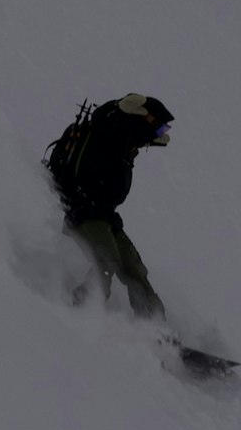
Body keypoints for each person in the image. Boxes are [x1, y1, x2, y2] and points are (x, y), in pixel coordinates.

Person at [44, 92, 175, 321]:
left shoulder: (125, 141)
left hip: (104, 214)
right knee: (106, 261)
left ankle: (157, 328)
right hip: (81, 211)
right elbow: (123, 109)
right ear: (144, 119)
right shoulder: (108, 133)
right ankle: (81, 310)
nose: (159, 135)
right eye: (159, 129)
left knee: (134, 268)